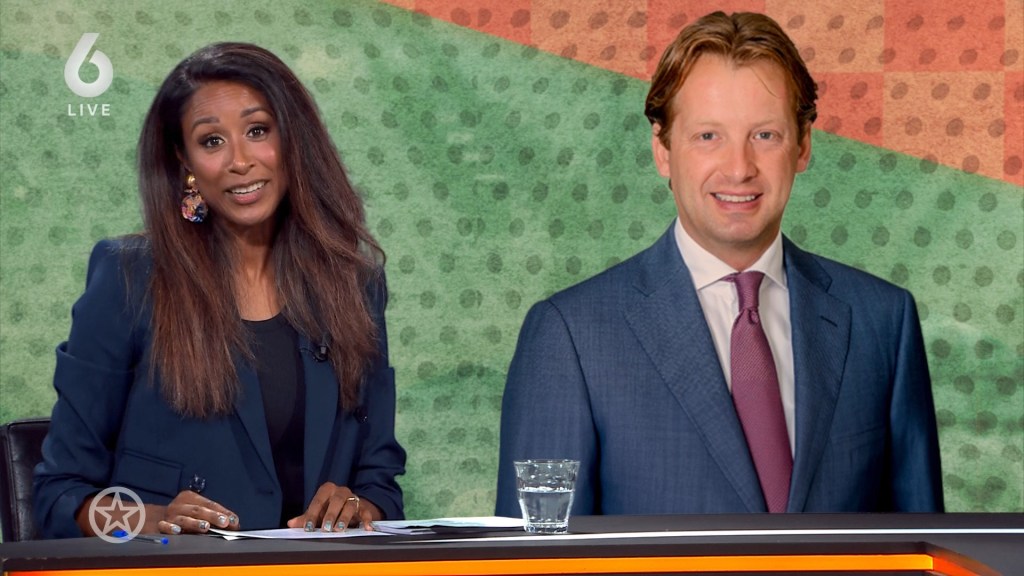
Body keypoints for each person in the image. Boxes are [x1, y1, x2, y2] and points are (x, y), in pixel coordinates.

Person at [496, 11, 943, 516]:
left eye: (765, 135)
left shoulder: (882, 322)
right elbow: (534, 552)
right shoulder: (571, 336)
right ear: (663, 150)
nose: (739, 168)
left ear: (803, 145)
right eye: (708, 136)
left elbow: (924, 544)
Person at [34, 43, 406, 538]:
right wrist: (148, 519)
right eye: (212, 141)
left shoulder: (354, 284)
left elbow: (381, 484)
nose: (240, 161)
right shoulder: (129, 277)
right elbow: (59, 495)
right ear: (184, 161)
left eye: (258, 131)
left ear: (293, 140)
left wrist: (359, 506)